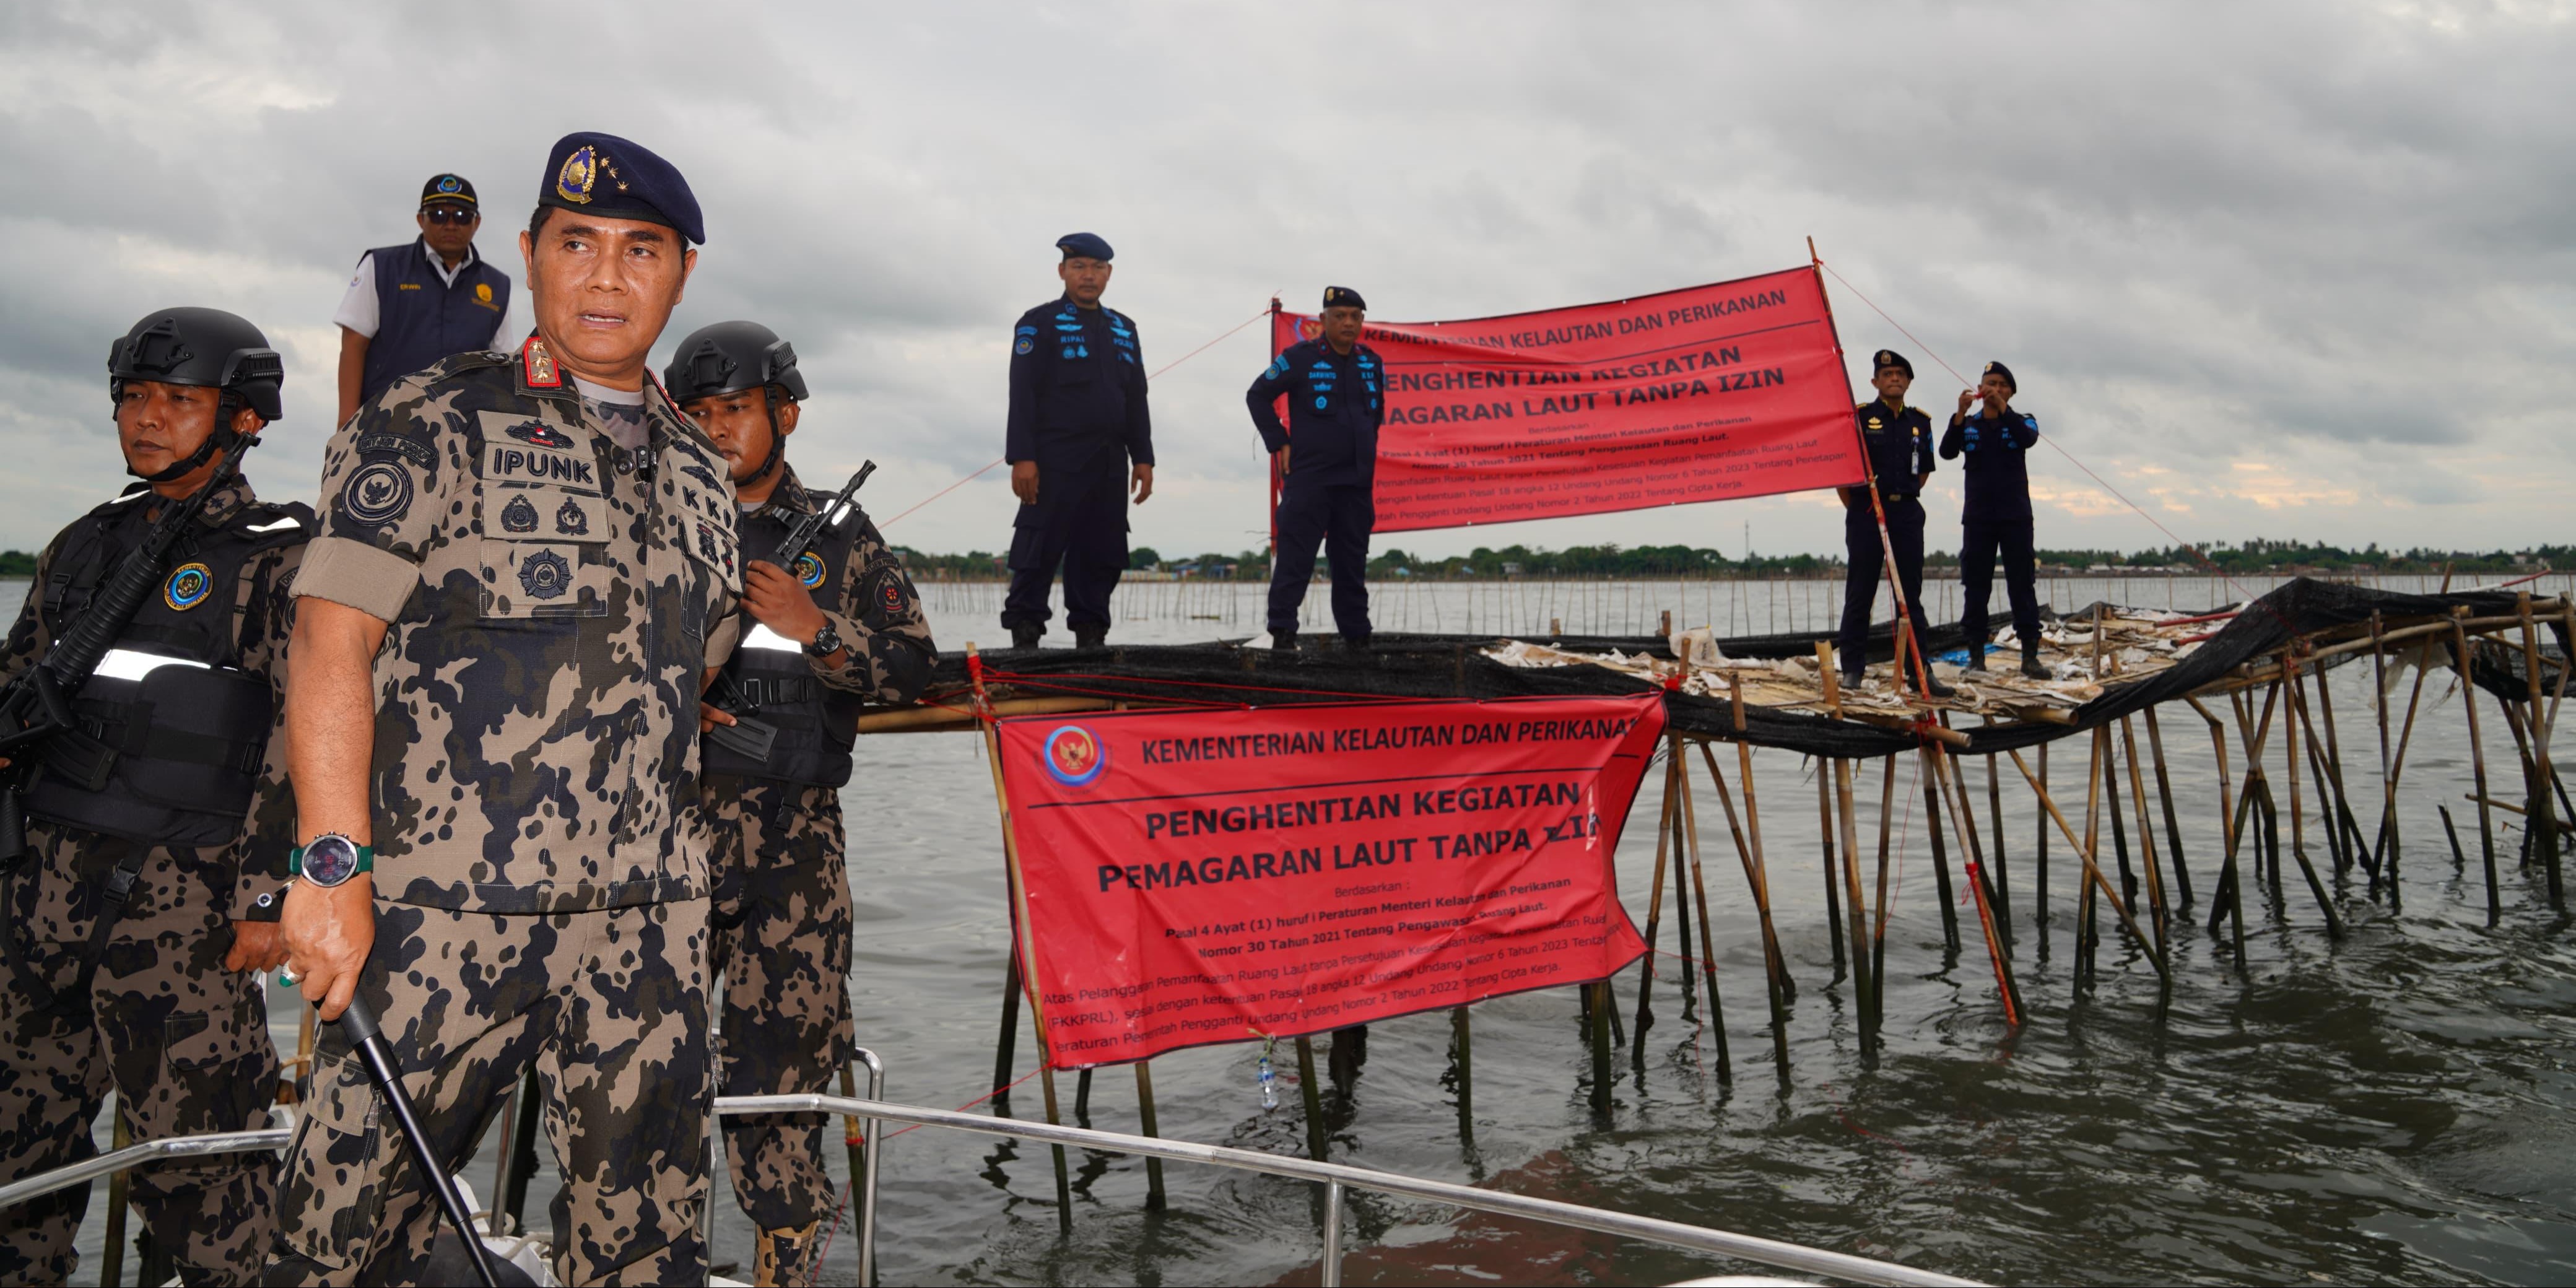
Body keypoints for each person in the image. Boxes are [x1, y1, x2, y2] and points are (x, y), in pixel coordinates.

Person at [270, 132, 738, 1286]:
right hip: (443, 916)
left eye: (642, 251)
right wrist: (332, 868)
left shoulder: (702, 468)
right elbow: (332, 640)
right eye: (577, 244)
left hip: (652, 928)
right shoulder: (430, 416)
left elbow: (695, 666)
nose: (608, 278)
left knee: (645, 1249)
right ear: (528, 256)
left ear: (683, 272)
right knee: (342, 1239)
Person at [0, 307, 307, 1286]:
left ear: (243, 418)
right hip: (40, 894)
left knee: (204, 1169)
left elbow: (308, 734)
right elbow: (20, 686)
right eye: (135, 396)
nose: (148, 417)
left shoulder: (279, 559)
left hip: (183, 914)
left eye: (179, 400)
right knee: (19, 1150)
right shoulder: (82, 546)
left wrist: (269, 896)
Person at [664, 321, 935, 1287]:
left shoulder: (842, 537)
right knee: (642, 1077)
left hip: (793, 852)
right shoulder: (648, 522)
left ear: (783, 413)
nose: (714, 429)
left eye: (733, 410)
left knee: (783, 1077)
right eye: (694, 415)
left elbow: (912, 668)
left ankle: (788, 1255)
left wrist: (817, 627)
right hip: (658, 848)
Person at [1000, 232, 1154, 650]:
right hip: (1052, 460)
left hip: (1109, 463)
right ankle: (1026, 635)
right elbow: (1023, 393)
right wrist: (1022, 457)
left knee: (1101, 552)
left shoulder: (1125, 328)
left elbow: (1136, 396)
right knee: (1038, 549)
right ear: (1062, 272)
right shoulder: (1039, 323)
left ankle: (1091, 637)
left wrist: (1144, 457)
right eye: (1079, 267)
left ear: (1109, 274)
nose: (1089, 276)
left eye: (1097, 268)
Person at [1246, 286, 1384, 652]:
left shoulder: (1372, 362)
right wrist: (1279, 441)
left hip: (1355, 484)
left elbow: (1376, 415)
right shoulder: (1300, 358)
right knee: (1296, 559)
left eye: (1355, 316)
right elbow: (1257, 395)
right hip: (1310, 480)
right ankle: (1283, 635)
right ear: (1323, 321)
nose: (1348, 323)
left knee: (1352, 564)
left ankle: (1357, 638)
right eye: (1340, 316)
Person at [333, 173, 530, 424]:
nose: (450, 224)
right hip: (383, 422)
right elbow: (353, 344)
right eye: (438, 215)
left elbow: (500, 364)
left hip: (461, 430)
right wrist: (346, 424)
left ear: (477, 222)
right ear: (420, 219)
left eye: (461, 216)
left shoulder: (497, 285)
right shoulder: (381, 267)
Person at [1833, 350, 1947, 694]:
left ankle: (1918, 671)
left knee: (1909, 595)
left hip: (1906, 513)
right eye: (1887, 374)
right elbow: (1843, 476)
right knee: (1860, 592)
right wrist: (1864, 506)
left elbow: (1923, 471)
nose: (1894, 378)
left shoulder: (1921, 422)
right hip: (1867, 511)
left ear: (1909, 381)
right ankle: (1853, 669)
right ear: (1875, 382)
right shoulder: (1860, 418)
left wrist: (1901, 496)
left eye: (1900, 373)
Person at [1941, 360, 2048, 679]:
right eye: (1990, 384)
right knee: (1975, 587)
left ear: (2011, 392)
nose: (1996, 390)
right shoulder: (1969, 425)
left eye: (2003, 385)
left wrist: (2003, 409)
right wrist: (1959, 414)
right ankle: (1976, 657)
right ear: (1979, 389)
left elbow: (2027, 439)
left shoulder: (2024, 422)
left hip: (2016, 518)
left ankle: (2030, 656)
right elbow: (1947, 451)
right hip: (1978, 519)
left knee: (2022, 585)